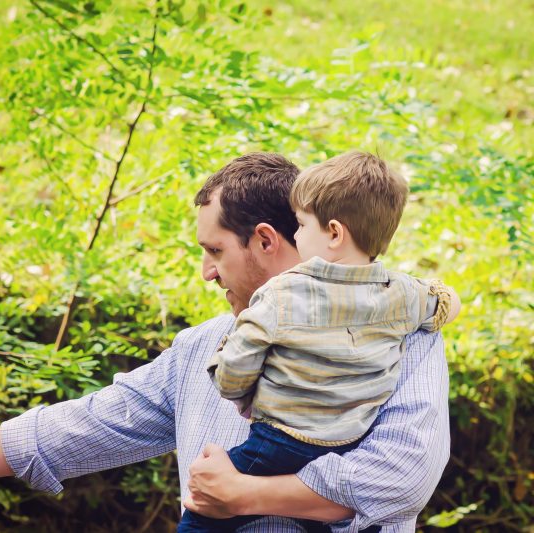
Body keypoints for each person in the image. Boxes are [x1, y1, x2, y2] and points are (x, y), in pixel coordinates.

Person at [0, 153, 451, 532]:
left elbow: (401, 477)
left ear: (266, 240)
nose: (206, 273)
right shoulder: (201, 349)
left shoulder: (403, 337)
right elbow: (81, 427)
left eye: (214, 252)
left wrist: (244, 496)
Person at [177, 152, 459, 532]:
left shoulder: (281, 294)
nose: (295, 235)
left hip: (281, 441)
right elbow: (445, 302)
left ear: (334, 233)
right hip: (345, 445)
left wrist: (241, 393)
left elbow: (232, 376)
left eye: (301, 225)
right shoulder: (403, 296)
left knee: (202, 510)